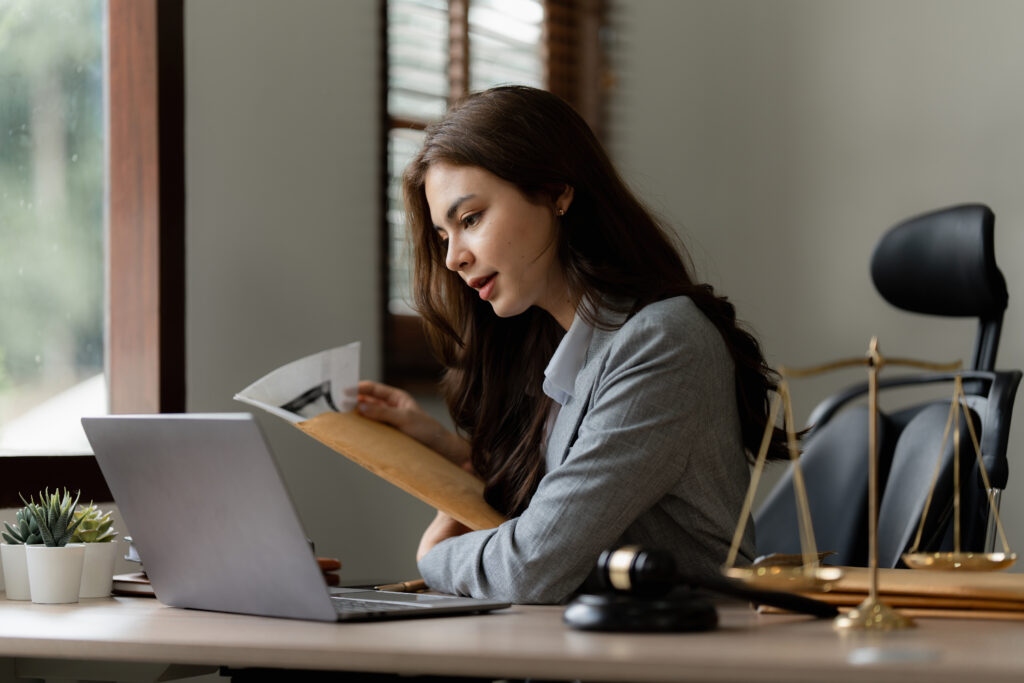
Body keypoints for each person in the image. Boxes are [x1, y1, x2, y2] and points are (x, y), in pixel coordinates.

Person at [357, 85, 787, 604]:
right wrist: (443, 449)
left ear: (557, 192)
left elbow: (531, 567)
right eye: (445, 237)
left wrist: (433, 559)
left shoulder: (663, 341)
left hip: (678, 658)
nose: (454, 260)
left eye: (470, 219)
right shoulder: (562, 346)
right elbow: (570, 491)